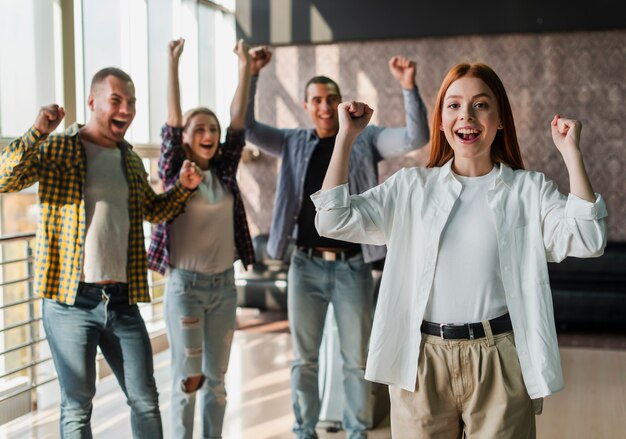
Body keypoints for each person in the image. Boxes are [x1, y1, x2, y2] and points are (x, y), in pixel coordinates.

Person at [312, 62, 608, 438]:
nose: (466, 116)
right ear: (439, 120)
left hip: (500, 357)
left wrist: (571, 154)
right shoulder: (410, 188)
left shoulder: (529, 190)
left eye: (481, 105)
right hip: (420, 359)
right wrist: (345, 139)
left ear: (500, 119)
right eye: (453, 106)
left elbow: (588, 239)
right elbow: (333, 219)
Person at [0, 68, 203, 438]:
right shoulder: (61, 146)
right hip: (69, 301)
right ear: (92, 102)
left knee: (144, 398)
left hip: (122, 301)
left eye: (132, 102)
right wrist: (37, 131)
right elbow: (4, 178)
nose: (126, 109)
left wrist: (183, 190)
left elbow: (152, 211)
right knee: (77, 407)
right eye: (116, 100)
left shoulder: (129, 160)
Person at [245, 47, 430, 439]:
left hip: (352, 267)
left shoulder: (366, 138)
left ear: (341, 103)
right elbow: (245, 128)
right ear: (306, 105)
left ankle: (356, 431)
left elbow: (416, 136)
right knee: (304, 360)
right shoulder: (292, 142)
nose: (325, 106)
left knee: (355, 360)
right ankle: (303, 431)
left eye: (332, 99)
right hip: (305, 265)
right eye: (317, 100)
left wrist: (408, 88)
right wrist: (252, 73)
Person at [147, 37, 255, 439]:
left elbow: (238, 120)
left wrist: (244, 67)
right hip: (185, 288)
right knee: (188, 377)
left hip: (224, 287)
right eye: (199, 128)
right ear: (186, 138)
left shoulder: (225, 170)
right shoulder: (177, 166)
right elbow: (172, 123)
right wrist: (172, 62)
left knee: (217, 380)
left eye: (212, 128)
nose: (208, 133)